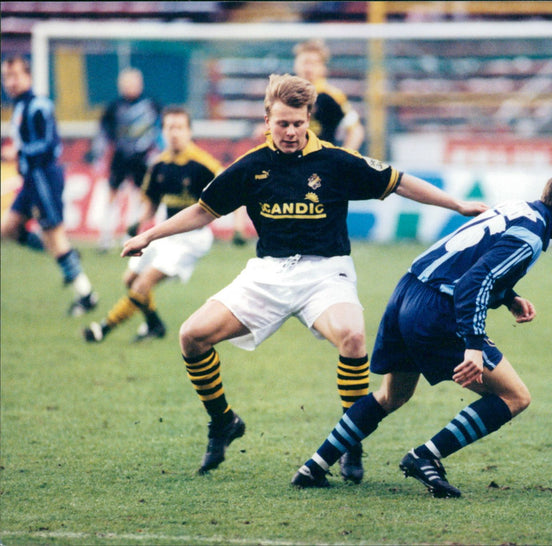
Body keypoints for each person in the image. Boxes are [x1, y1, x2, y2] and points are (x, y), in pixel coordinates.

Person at [121, 74, 487, 478]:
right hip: (268, 273)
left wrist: (456, 205)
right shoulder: (252, 166)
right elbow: (203, 210)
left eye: (298, 123)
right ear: (267, 121)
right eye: (282, 124)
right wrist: (150, 235)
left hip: (325, 271)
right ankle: (224, 421)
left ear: (309, 117)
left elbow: (398, 182)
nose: (291, 132)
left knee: (352, 336)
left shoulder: (336, 161)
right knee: (191, 336)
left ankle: (351, 442)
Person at [292, 167, 552, 497]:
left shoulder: (517, 209)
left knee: (392, 395)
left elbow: (471, 260)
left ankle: (313, 466)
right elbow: (474, 282)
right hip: (437, 309)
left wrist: (509, 297)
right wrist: (473, 344)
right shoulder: (531, 235)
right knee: (515, 396)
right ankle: (424, 457)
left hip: (406, 293)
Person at [84, 107, 223, 343]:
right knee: (129, 280)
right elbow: (150, 202)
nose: (175, 133)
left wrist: (239, 227)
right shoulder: (158, 165)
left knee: (142, 283)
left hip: (191, 239)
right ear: (163, 131)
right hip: (163, 234)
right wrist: (138, 222)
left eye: (180, 127)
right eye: (170, 127)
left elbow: (233, 191)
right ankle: (154, 325)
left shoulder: (205, 165)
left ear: (189, 131)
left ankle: (103, 328)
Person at [0, 56, 98, 316]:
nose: (10, 82)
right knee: (8, 228)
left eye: (15, 76)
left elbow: (49, 144)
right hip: (30, 179)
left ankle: (86, 294)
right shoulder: (20, 107)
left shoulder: (38, 106)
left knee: (55, 235)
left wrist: (18, 154)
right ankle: (67, 257)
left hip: (44, 178)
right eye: (6, 77)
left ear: (28, 76)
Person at [87, 67, 161, 252]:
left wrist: (158, 154)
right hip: (120, 157)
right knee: (112, 196)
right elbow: (103, 134)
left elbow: (160, 131)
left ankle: (131, 236)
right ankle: (105, 237)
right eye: (126, 82)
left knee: (141, 197)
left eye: (133, 82)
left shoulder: (151, 104)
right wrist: (98, 157)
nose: (130, 86)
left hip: (142, 158)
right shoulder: (114, 107)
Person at [293, 39, 365, 151]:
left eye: (313, 63)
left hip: (321, 162)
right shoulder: (286, 95)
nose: (308, 68)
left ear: (323, 67)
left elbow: (356, 131)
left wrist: (345, 158)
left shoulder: (332, 96)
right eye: (304, 62)